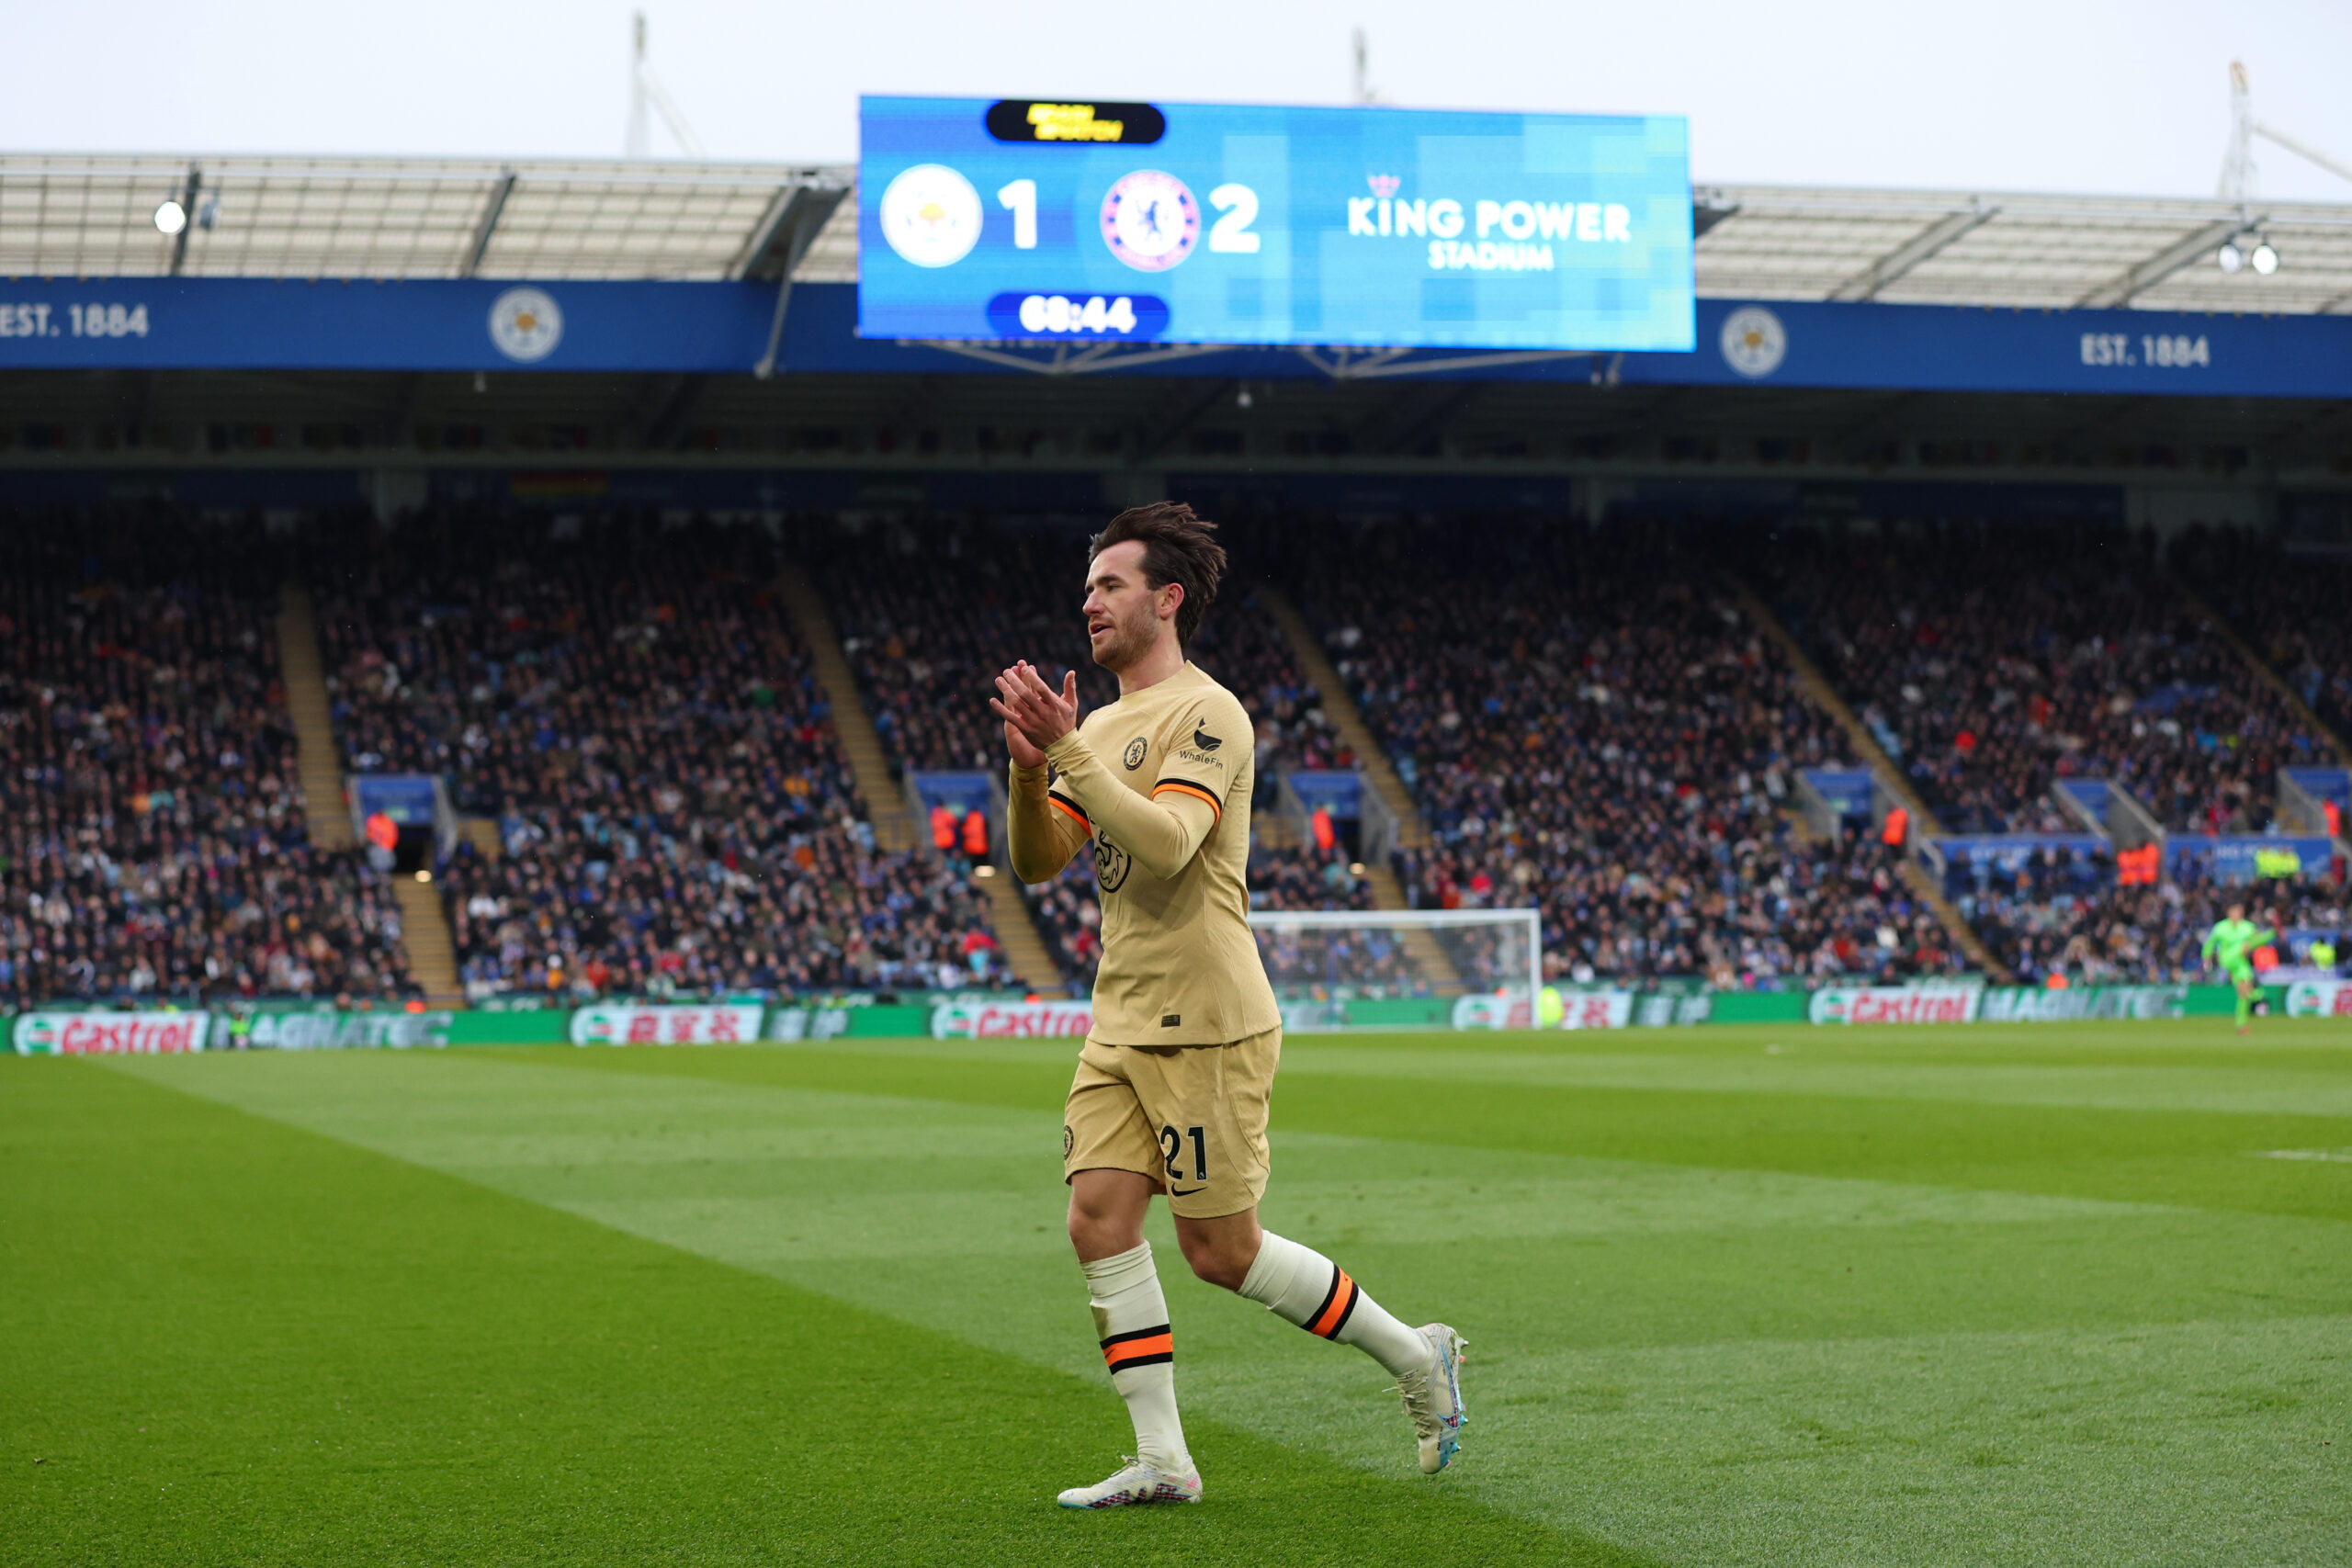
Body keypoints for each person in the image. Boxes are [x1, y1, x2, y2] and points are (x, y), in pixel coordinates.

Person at [994, 502, 1465, 1510]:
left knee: (1222, 1252)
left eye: (1110, 584)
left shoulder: (1209, 714)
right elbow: (1037, 863)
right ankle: (1163, 1460)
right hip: (1119, 1018)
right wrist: (1028, 769)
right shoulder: (1104, 725)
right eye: (1087, 587)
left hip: (1207, 1018)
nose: (1089, 601)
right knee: (1098, 1219)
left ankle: (1416, 1355)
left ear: (1166, 600)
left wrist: (1067, 749)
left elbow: (1168, 844)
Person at [2201, 900, 2277, 1035]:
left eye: (2239, 911)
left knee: (2244, 994)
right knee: (2245, 946)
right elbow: (2210, 942)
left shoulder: (2247, 927)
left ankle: (2242, 1023)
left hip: (2241, 963)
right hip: (2227, 959)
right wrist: (2206, 957)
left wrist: (2271, 934)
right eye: (2235, 911)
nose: (2237, 914)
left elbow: (2258, 940)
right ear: (2229, 913)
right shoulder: (2221, 928)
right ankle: (2258, 995)